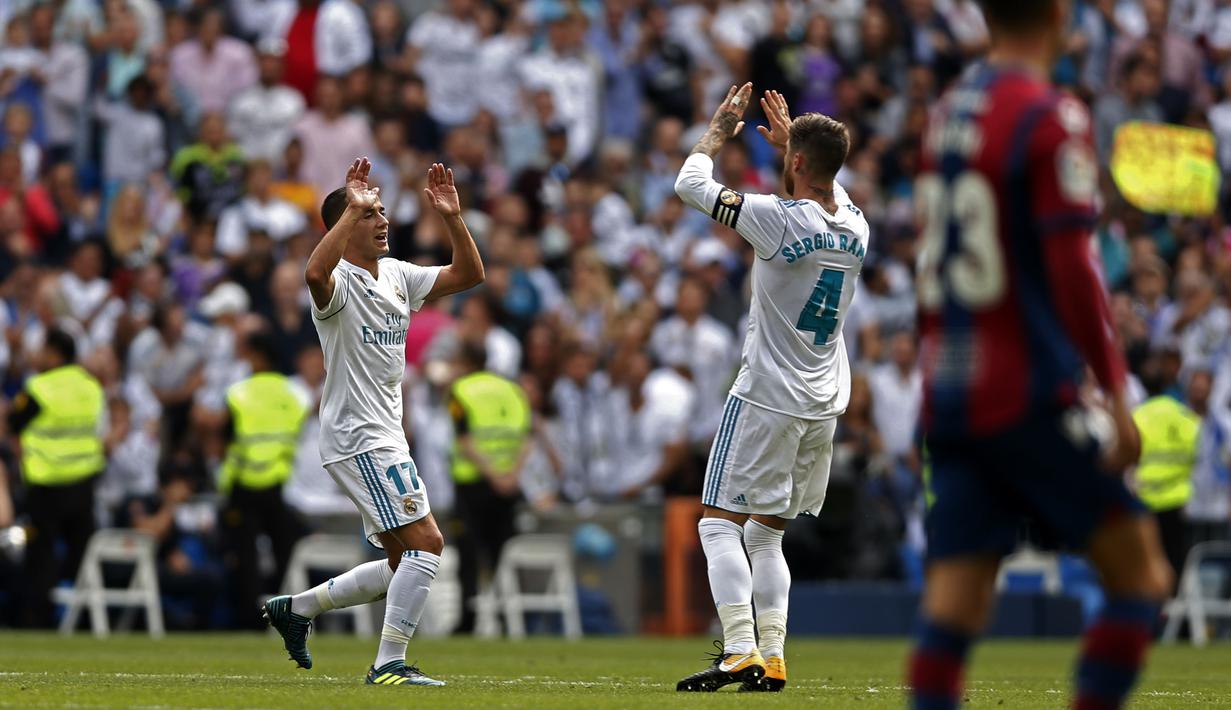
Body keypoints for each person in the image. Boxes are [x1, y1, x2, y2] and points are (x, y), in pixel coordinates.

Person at [906, 3, 1173, 710]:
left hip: (952, 394)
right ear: (1058, 14)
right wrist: (1116, 395)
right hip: (1026, 389)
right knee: (1140, 577)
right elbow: (1074, 272)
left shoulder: (946, 113)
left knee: (952, 612)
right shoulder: (1047, 115)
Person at [673, 83, 869, 693]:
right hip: (823, 402)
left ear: (799, 165)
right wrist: (796, 149)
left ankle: (738, 647)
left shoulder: (776, 220)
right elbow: (832, 190)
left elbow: (690, 185)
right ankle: (774, 653)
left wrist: (717, 131)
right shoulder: (857, 224)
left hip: (765, 396)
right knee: (766, 532)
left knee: (715, 524)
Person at [262, 157, 483, 686]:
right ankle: (389, 664)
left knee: (400, 563)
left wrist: (453, 216)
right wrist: (347, 211)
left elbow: (470, 274)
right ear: (343, 226)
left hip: (385, 435)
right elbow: (312, 271)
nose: (382, 220)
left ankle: (298, 608)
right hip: (358, 436)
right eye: (369, 214)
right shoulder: (335, 284)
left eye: (382, 211)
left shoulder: (400, 275)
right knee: (428, 545)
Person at [6, 328, 106, 627]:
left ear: (53, 353)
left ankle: (40, 618)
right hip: (84, 481)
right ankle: (85, 619)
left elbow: (14, 422)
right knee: (82, 553)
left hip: (46, 483)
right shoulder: (91, 386)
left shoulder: (39, 387)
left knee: (41, 553)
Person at [218, 328, 309, 627]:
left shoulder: (238, 393)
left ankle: (250, 619)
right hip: (280, 483)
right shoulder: (294, 394)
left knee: (245, 556)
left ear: (257, 356)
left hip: (243, 484)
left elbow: (226, 439)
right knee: (285, 551)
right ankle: (286, 613)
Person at [447, 341, 532, 634]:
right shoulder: (513, 390)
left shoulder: (460, 391)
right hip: (508, 486)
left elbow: (465, 442)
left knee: (469, 554)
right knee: (501, 553)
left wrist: (492, 475)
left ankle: (468, 619)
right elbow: (525, 438)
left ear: (464, 362)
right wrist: (510, 476)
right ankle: (504, 617)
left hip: (473, 483)